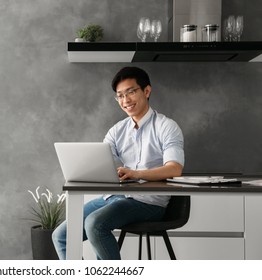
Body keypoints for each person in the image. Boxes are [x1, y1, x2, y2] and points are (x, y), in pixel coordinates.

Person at [52, 67, 185, 260]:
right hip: (114, 197)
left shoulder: (167, 127)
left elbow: (175, 169)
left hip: (149, 202)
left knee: (95, 224)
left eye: (131, 92)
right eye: (120, 96)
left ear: (146, 91)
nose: (125, 100)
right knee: (61, 235)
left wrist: (136, 174)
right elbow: (102, 161)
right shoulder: (117, 130)